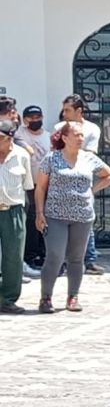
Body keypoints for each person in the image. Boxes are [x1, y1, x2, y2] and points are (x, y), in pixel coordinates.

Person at [35, 121, 110, 313]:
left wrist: (92, 190)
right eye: (77, 135)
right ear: (64, 138)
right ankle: (45, 297)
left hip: (83, 215)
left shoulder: (89, 158)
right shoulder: (51, 159)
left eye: (82, 135)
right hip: (55, 215)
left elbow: (109, 175)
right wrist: (39, 213)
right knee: (54, 255)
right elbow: (41, 187)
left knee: (76, 258)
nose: (81, 138)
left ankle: (73, 296)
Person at [53, 95, 105, 275]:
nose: (64, 113)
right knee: (61, 221)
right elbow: (56, 151)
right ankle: (61, 261)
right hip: (62, 177)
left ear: (79, 111)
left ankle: (89, 259)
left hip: (82, 176)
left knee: (85, 219)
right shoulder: (59, 127)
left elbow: (89, 154)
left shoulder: (92, 128)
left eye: (68, 110)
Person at [0, 120, 34, 313]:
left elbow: (27, 186)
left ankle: (8, 299)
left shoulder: (21, 156)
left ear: (9, 138)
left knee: (13, 256)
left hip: (13, 209)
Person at [15, 104, 51, 273]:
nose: (35, 120)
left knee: (46, 220)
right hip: (27, 185)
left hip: (45, 184)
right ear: (25, 119)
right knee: (30, 220)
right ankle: (29, 256)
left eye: (38, 117)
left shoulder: (49, 137)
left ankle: (44, 254)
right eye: (31, 117)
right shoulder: (19, 134)